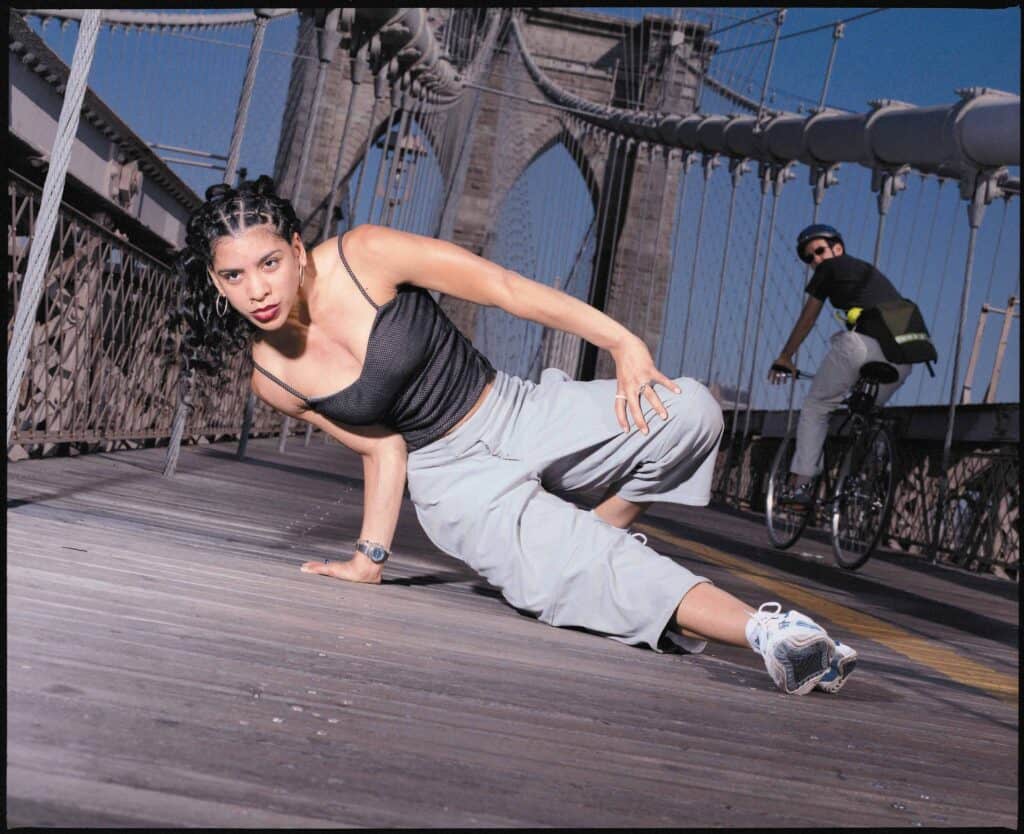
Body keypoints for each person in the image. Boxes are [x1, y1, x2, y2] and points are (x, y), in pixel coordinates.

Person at [172, 176, 858, 696]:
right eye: (232, 275)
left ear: (296, 250)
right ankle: (773, 635)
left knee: (691, 411)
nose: (256, 289)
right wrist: (369, 558)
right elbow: (384, 448)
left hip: (516, 407)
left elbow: (501, 286)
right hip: (455, 483)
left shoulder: (366, 255)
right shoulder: (272, 376)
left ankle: (594, 535)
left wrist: (622, 343)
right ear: (215, 281)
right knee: (592, 572)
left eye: (268, 263)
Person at [769, 224, 914, 505]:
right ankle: (867, 479)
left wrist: (785, 357)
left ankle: (801, 485)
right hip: (903, 361)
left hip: (860, 347)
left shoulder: (831, 268)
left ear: (838, 248)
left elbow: (808, 317)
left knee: (816, 407)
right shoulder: (869, 274)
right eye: (809, 258)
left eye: (820, 251)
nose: (816, 260)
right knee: (865, 414)